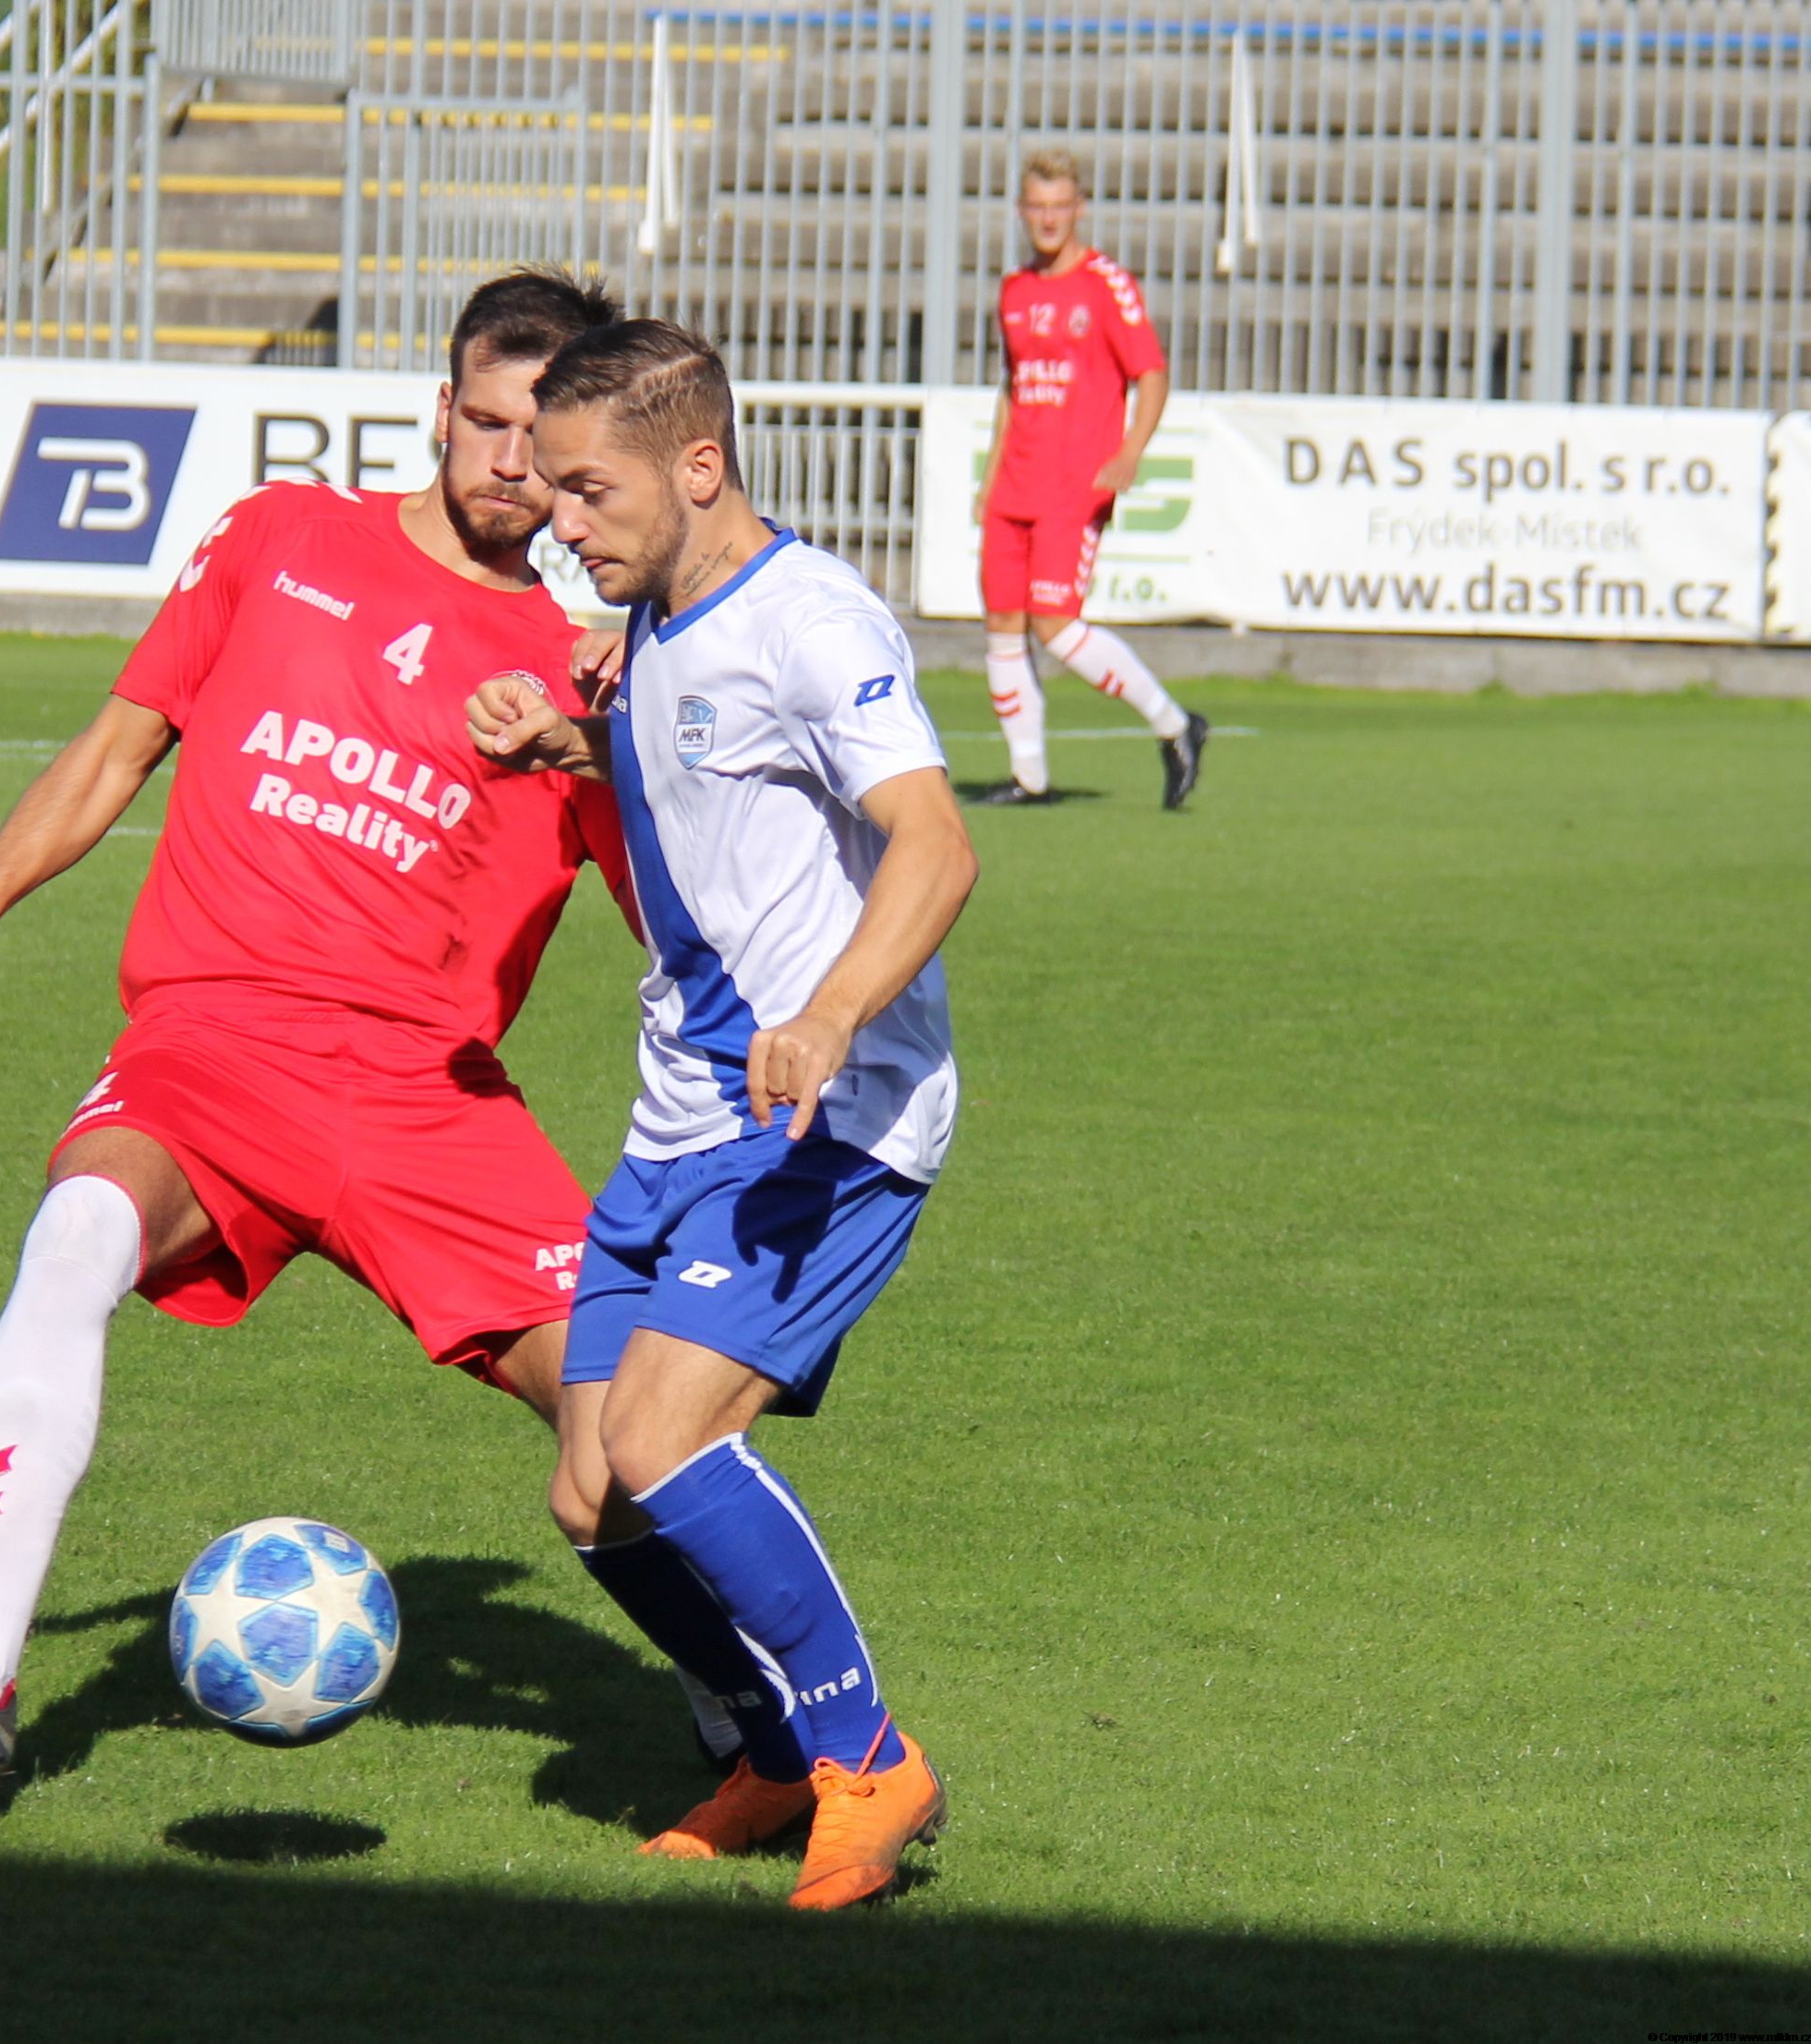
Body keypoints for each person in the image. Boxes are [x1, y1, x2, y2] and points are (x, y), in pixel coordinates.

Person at [0, 270, 646, 1788]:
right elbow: (117, 746)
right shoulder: (280, 541)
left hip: (426, 1094)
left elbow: (681, 917)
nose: (512, 461)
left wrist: (629, 746)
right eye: (489, 420)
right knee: (75, 1233)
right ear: (441, 408)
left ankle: (756, 1724)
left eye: (544, 436)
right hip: (214, 1047)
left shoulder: (585, 676)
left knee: (634, 1425)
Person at [468, 321, 978, 1910]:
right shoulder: (657, 615)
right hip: (679, 1114)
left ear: (698, 466)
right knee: (591, 1489)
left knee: (664, 1435)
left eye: (587, 489)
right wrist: (574, 741)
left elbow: (935, 843)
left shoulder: (811, 620)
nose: (557, 518)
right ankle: (768, 1748)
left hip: (827, 1111)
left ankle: (866, 1756)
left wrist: (829, 1015)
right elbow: (703, 771)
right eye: (550, 488)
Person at [973, 149, 1210, 808]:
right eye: (1037, 207)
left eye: (1060, 206)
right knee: (1002, 621)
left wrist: (1131, 451)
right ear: (1022, 211)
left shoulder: (1107, 284)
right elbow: (1013, 388)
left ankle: (1175, 724)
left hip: (1074, 482)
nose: (1049, 219)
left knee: (1054, 624)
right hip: (1015, 483)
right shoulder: (1015, 290)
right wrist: (990, 477)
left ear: (1079, 209)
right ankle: (1029, 777)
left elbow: (1151, 374)